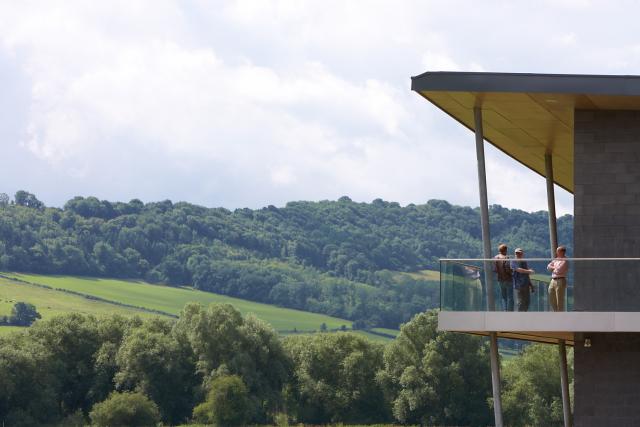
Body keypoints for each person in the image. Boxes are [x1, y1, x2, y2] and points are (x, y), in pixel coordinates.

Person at [547, 245, 569, 311]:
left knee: (559, 300)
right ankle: (556, 312)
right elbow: (548, 267)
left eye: (557, 251)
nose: (556, 252)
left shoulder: (565, 261)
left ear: (562, 252)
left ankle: (560, 315)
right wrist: (554, 268)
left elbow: (558, 271)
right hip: (553, 280)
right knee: (551, 296)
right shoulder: (556, 259)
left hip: (560, 280)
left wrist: (553, 268)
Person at [493, 244, 514, 311]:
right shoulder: (506, 258)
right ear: (505, 250)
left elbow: (495, 270)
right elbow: (508, 269)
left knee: (503, 297)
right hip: (508, 279)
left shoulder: (496, 258)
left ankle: (505, 310)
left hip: (500, 279)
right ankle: (510, 311)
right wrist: (512, 272)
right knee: (510, 297)